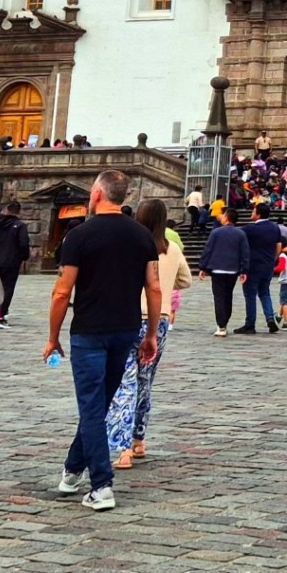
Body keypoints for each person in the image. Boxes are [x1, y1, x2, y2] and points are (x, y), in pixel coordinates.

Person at [42, 169, 163, 511]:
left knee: (92, 407)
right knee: (100, 404)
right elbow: (153, 287)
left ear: (97, 194)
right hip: (125, 329)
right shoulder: (141, 235)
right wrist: (151, 332)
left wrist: (53, 336)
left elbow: (62, 292)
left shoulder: (79, 235)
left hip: (89, 331)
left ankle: (101, 485)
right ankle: (71, 470)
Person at [104, 200, 190, 473]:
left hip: (129, 317)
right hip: (159, 320)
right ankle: (139, 439)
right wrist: (166, 282)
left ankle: (124, 447)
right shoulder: (172, 247)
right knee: (145, 381)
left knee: (125, 382)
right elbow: (185, 280)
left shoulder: (132, 244)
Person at [239, 206, 284, 334]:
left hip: (253, 266)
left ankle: (250, 324)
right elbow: (278, 245)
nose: (251, 213)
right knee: (265, 293)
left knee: (250, 295)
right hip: (268, 265)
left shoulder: (250, 229)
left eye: (253, 211)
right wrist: (273, 259)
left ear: (258, 215)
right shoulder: (274, 227)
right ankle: (270, 318)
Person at [203, 208, 247, 335]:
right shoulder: (240, 234)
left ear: (227, 217)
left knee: (219, 297)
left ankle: (221, 325)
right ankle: (225, 320)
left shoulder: (216, 232)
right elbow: (245, 253)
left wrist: (203, 267)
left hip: (217, 268)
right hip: (233, 269)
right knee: (228, 296)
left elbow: (208, 249)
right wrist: (244, 270)